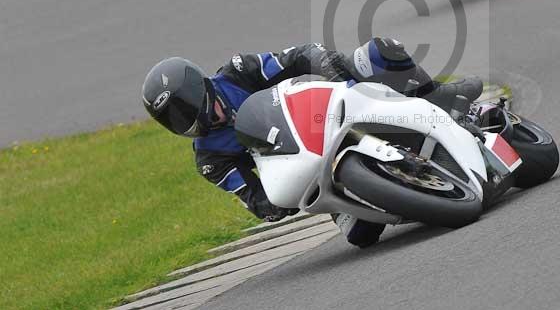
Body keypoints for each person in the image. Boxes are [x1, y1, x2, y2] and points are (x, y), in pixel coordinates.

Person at [141, 37, 483, 247]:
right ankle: (398, 189)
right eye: (173, 120)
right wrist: (272, 206)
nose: (185, 122)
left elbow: (297, 57)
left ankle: (439, 98)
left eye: (183, 110)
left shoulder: (238, 71)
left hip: (324, 115)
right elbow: (254, 198)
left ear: (197, 89)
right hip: (315, 170)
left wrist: (329, 66)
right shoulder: (210, 159)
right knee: (361, 237)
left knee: (376, 52)